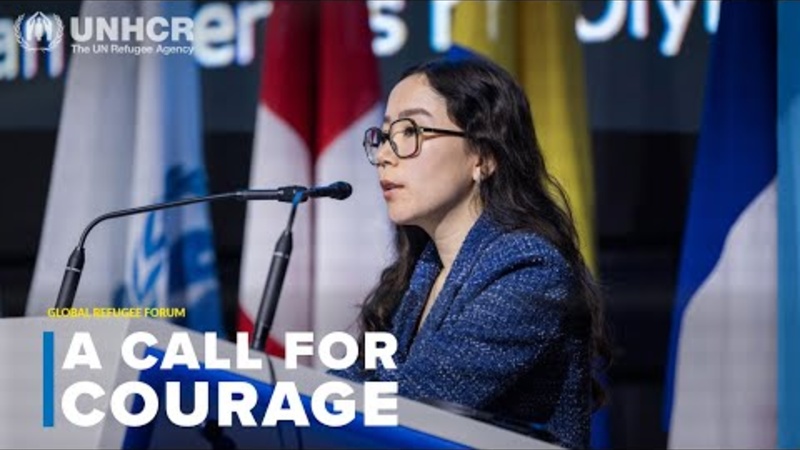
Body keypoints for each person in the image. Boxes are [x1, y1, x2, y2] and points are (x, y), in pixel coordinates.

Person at [330, 57, 610, 450]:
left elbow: (414, 407)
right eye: (385, 134)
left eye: (410, 131)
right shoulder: (419, 270)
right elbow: (343, 390)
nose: (384, 156)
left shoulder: (531, 270)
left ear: (483, 156)